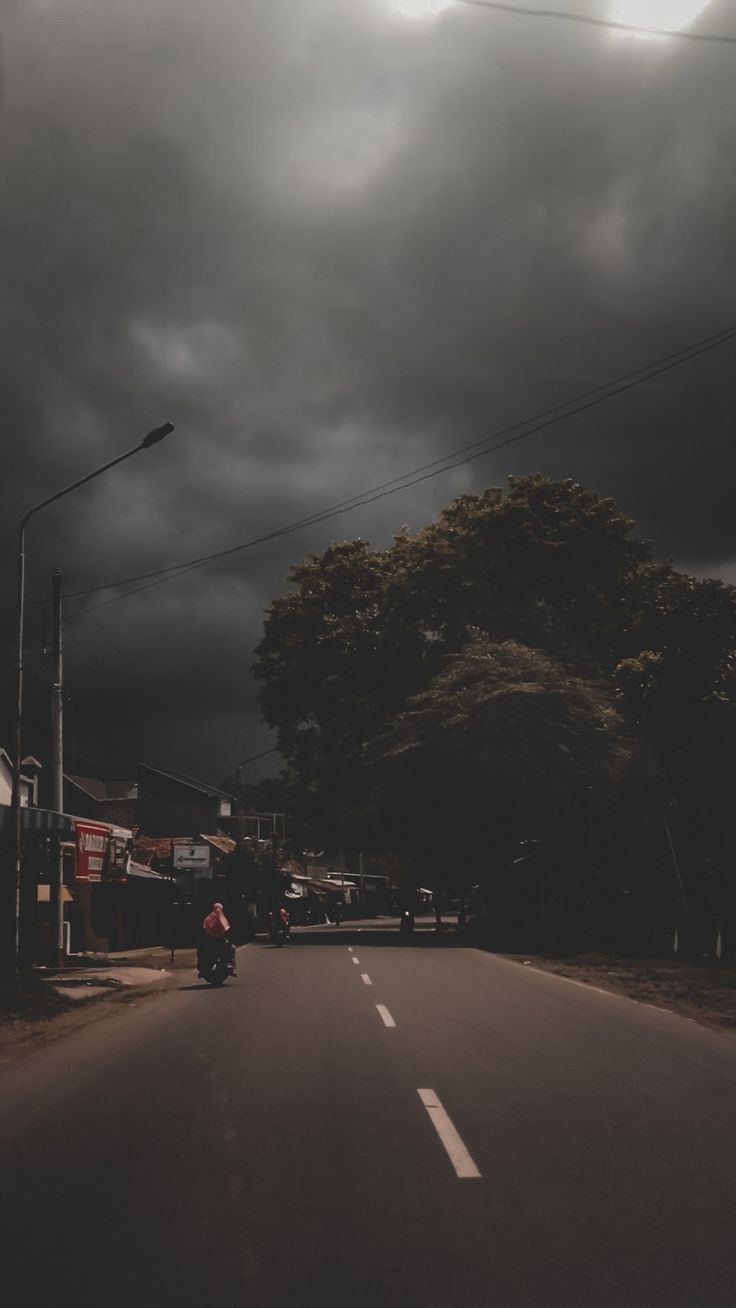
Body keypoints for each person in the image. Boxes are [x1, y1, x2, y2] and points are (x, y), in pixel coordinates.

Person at [198, 902, 236, 977]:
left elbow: (204, 930)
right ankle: (231, 966)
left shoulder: (208, 918)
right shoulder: (220, 918)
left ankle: (202, 969)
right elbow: (227, 931)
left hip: (213, 940)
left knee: (200, 949)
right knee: (232, 948)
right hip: (216, 941)